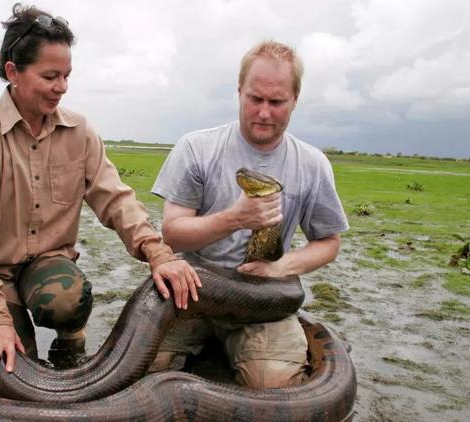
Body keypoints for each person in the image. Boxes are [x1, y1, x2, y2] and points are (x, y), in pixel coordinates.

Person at [0, 3, 200, 376]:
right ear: (13, 72)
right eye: (50, 76)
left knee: (67, 301)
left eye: (67, 75)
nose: (61, 88)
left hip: (48, 264)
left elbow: (117, 199)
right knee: (12, 370)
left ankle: (70, 338)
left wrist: (158, 253)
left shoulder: (80, 131)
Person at [149, 40, 349, 388]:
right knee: (148, 367)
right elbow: (173, 234)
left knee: (273, 385)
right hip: (191, 291)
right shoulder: (196, 148)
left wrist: (281, 268)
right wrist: (235, 218)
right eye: (255, 99)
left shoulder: (312, 164)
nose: (264, 113)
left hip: (261, 296)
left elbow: (329, 242)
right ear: (239, 91)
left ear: (295, 100)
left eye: (277, 102)